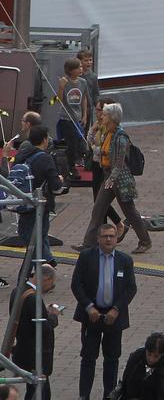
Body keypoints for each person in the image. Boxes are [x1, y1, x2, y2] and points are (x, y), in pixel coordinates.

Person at [72, 223, 137, 400]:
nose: (109, 239)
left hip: (113, 318)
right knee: (88, 357)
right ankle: (83, 395)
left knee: (112, 358)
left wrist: (116, 309)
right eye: (105, 236)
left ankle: (109, 395)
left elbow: (131, 288)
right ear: (98, 238)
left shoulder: (125, 260)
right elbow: (76, 284)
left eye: (112, 236)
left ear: (117, 239)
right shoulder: (86, 257)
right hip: (92, 316)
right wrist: (88, 307)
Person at [80, 104, 152, 254]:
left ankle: (145, 241)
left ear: (112, 118)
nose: (102, 117)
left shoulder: (121, 137)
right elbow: (97, 148)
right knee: (98, 209)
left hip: (120, 181)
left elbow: (119, 163)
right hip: (109, 178)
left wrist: (111, 179)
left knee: (130, 212)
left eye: (105, 115)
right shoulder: (107, 132)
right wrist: (92, 133)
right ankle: (88, 243)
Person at [7, 264, 58, 400]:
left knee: (33, 391)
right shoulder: (34, 299)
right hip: (36, 358)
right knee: (41, 393)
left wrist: (43, 312)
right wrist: (53, 315)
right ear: (46, 278)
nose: (51, 287)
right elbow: (43, 328)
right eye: (52, 284)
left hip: (23, 351)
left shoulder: (17, 291)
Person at [13, 125, 62, 262]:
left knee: (35, 240)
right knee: (37, 242)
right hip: (40, 206)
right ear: (44, 140)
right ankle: (48, 264)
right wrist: (60, 179)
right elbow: (56, 185)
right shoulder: (46, 158)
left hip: (23, 203)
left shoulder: (21, 155)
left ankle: (38, 274)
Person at [118, 331, 164, 400]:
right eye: (149, 354)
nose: (151, 359)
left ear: (162, 355)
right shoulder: (136, 358)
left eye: (156, 356)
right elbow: (125, 383)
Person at [55, 56, 89, 170]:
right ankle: (70, 166)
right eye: (78, 67)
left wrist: (84, 115)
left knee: (80, 141)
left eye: (81, 67)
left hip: (78, 117)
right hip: (66, 118)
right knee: (72, 142)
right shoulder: (64, 81)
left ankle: (76, 161)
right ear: (71, 70)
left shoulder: (83, 82)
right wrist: (61, 87)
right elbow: (58, 100)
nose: (81, 69)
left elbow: (84, 98)